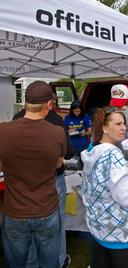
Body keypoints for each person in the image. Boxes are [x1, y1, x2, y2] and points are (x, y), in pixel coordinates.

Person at [0, 81, 66, 268]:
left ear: (26, 104)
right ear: (48, 105)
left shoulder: (3, 130)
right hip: (46, 210)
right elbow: (59, 163)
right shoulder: (57, 132)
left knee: (16, 264)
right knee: (48, 263)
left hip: (15, 211)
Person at [81, 106, 128, 268]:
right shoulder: (114, 156)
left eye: (124, 123)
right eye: (118, 124)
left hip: (99, 227)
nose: (124, 128)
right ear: (104, 128)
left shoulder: (93, 151)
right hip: (120, 233)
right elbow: (126, 197)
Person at [13, 93, 75, 268]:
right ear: (49, 102)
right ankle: (59, 259)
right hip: (52, 178)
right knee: (57, 221)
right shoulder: (56, 120)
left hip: (24, 180)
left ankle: (32, 262)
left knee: (30, 221)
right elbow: (70, 152)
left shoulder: (17, 118)